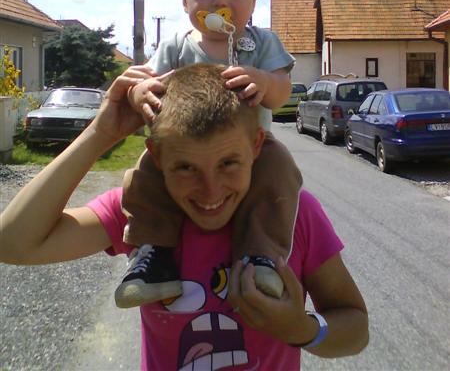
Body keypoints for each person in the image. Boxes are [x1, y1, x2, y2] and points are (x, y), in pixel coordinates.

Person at [0, 63, 369, 371]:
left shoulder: (292, 212)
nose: (210, 192)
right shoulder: (140, 211)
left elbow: (355, 326)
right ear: (157, 157)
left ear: (257, 146)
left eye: (228, 163)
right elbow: (13, 243)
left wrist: (302, 330)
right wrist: (100, 133)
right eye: (185, 168)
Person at [117, 0, 303, 308]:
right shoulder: (176, 46)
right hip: (182, 154)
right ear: (184, 0)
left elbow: (282, 93)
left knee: (280, 168)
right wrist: (139, 94)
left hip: (251, 150)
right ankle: (153, 256)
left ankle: (261, 257)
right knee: (145, 172)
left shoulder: (263, 44)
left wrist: (266, 82)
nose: (220, 0)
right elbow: (146, 83)